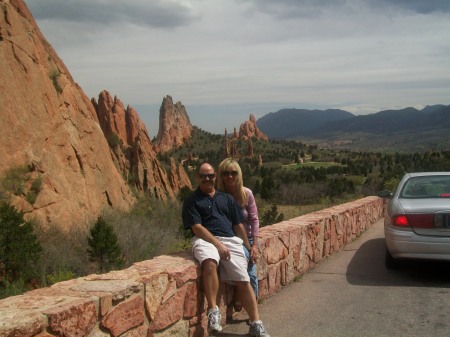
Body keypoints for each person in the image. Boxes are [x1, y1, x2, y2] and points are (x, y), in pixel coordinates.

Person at [182, 163, 270, 337]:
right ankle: (213, 311)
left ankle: (255, 323)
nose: (207, 179)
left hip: (230, 240)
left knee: (243, 278)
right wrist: (217, 244)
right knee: (209, 263)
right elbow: (196, 227)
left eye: (211, 175)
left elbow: (238, 225)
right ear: (197, 177)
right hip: (205, 239)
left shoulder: (226, 198)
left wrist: (248, 247)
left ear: (215, 176)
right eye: (203, 176)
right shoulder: (192, 200)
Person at [217, 158, 260, 315]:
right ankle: (248, 305)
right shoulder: (219, 196)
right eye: (226, 173)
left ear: (239, 174)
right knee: (247, 270)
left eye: (233, 173)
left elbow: (254, 219)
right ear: (221, 175)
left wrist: (254, 245)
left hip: (248, 239)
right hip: (230, 240)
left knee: (251, 271)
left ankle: (253, 310)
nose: (230, 176)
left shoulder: (246, 193)